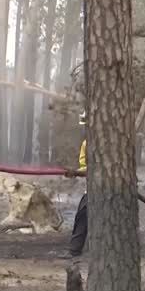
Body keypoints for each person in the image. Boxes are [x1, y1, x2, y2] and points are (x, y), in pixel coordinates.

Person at [61, 111, 89, 259]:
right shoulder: (86, 144)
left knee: (84, 215)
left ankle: (75, 250)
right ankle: (74, 250)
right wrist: (76, 172)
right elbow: (85, 166)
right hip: (92, 188)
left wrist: (76, 173)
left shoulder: (110, 143)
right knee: (82, 216)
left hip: (108, 189)